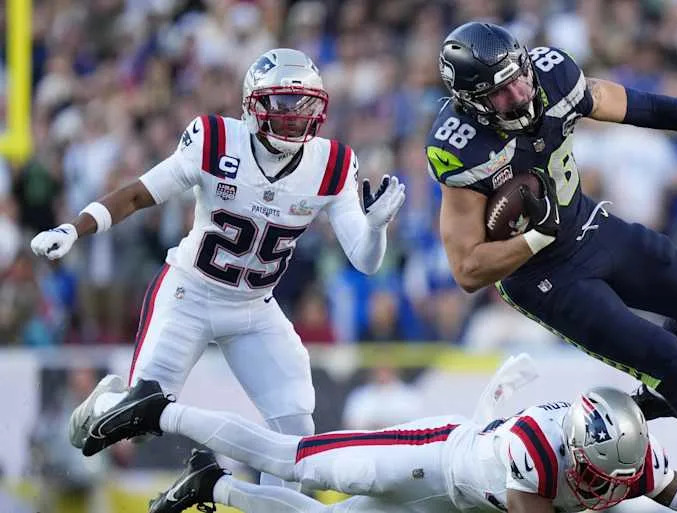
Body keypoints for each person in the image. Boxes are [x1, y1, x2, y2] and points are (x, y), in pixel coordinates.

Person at [425, 22, 677, 509]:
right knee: (666, 359)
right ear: (472, 102)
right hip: (540, 276)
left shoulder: (552, 75)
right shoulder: (461, 148)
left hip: (586, 225)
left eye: (519, 78)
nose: (519, 94)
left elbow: (644, 108)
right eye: (501, 93)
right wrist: (535, 237)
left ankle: (655, 398)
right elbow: (468, 270)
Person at [30, 49, 406, 488]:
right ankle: (101, 405)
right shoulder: (215, 139)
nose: (294, 116)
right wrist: (75, 228)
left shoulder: (332, 164)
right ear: (252, 105)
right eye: (283, 102)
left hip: (254, 308)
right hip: (190, 293)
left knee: (296, 435)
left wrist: (376, 228)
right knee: (140, 420)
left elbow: (365, 260)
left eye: (304, 104)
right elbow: (139, 194)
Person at [73, 377, 677, 513]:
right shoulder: (537, 449)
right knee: (298, 464)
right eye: (595, 475)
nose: (607, 488)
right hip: (434, 458)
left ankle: (212, 485)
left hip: (462, 505)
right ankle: (158, 410)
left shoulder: (634, 457)